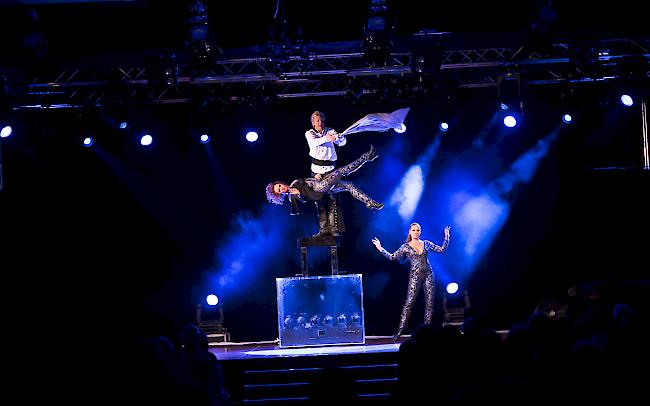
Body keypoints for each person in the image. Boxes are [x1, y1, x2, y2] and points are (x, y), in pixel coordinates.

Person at [372, 223, 451, 339]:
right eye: (413, 230)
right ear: (410, 231)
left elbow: (442, 250)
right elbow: (392, 257)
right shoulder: (405, 246)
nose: (416, 232)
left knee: (429, 304)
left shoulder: (426, 243)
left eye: (418, 230)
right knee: (409, 303)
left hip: (428, 274)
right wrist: (380, 248)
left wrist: (446, 237)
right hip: (415, 276)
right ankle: (399, 332)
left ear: (420, 231)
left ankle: (427, 332)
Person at [266, 145, 384, 211]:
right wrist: (299, 194)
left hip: (323, 184)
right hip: (321, 187)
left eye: (280, 186)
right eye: (280, 190)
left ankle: (370, 203)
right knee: (341, 171)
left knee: (349, 185)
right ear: (280, 195)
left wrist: (315, 175)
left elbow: (308, 182)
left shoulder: (294, 183)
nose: (282, 188)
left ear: (281, 183)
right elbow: (305, 200)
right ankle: (367, 157)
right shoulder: (292, 198)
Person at [305, 111, 347, 237]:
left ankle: (334, 229)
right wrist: (327, 138)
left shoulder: (330, 130)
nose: (320, 122)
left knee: (332, 199)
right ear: (313, 123)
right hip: (317, 172)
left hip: (330, 170)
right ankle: (323, 230)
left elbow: (342, 143)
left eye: (322, 120)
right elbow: (314, 143)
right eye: (317, 121)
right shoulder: (309, 133)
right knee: (320, 201)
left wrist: (340, 137)